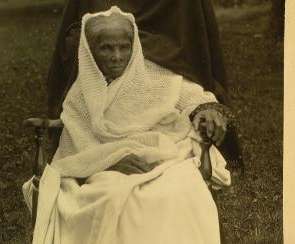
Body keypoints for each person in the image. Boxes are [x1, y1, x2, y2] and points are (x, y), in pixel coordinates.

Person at [23, 7, 232, 244]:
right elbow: (77, 148)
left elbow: (192, 95)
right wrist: (111, 162)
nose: (117, 56)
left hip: (161, 159)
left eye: (124, 47)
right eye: (106, 48)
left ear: (134, 48)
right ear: (91, 53)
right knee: (108, 197)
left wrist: (209, 109)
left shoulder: (150, 74)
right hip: (104, 171)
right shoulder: (82, 94)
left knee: (177, 190)